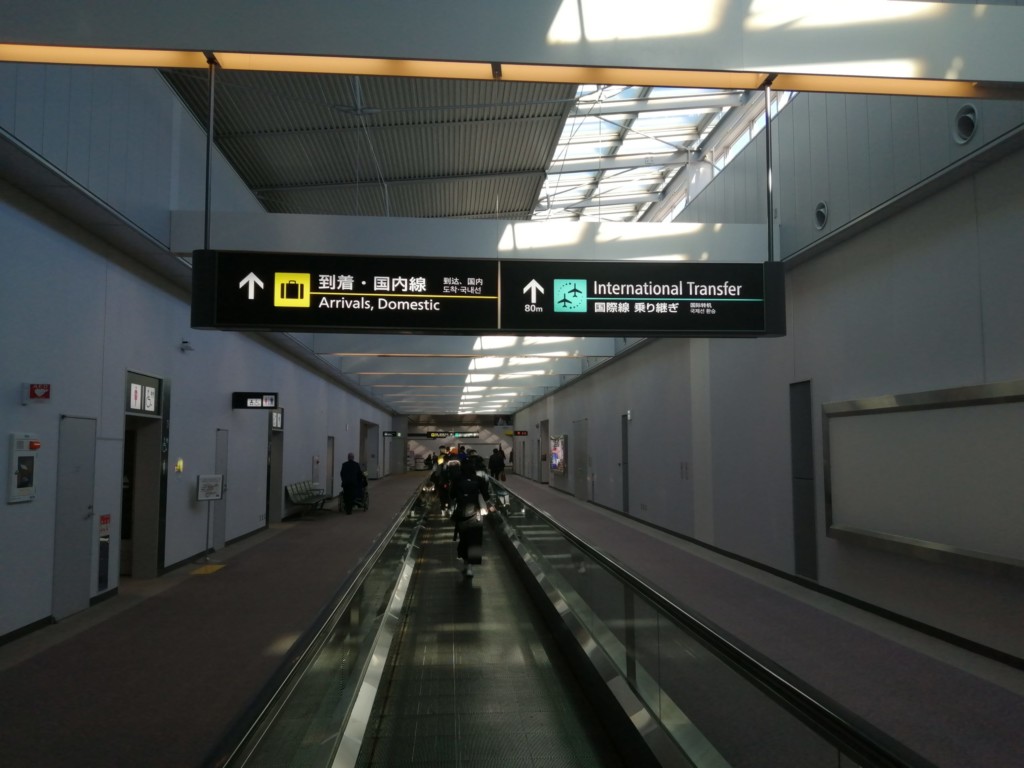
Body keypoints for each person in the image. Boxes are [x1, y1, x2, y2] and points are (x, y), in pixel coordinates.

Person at [450, 459, 493, 577]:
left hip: (461, 513)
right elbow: (486, 496)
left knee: (463, 538)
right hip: (475, 514)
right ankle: (470, 567)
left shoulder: (457, 479)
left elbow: (452, 495)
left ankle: (465, 563)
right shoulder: (478, 479)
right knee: (474, 539)